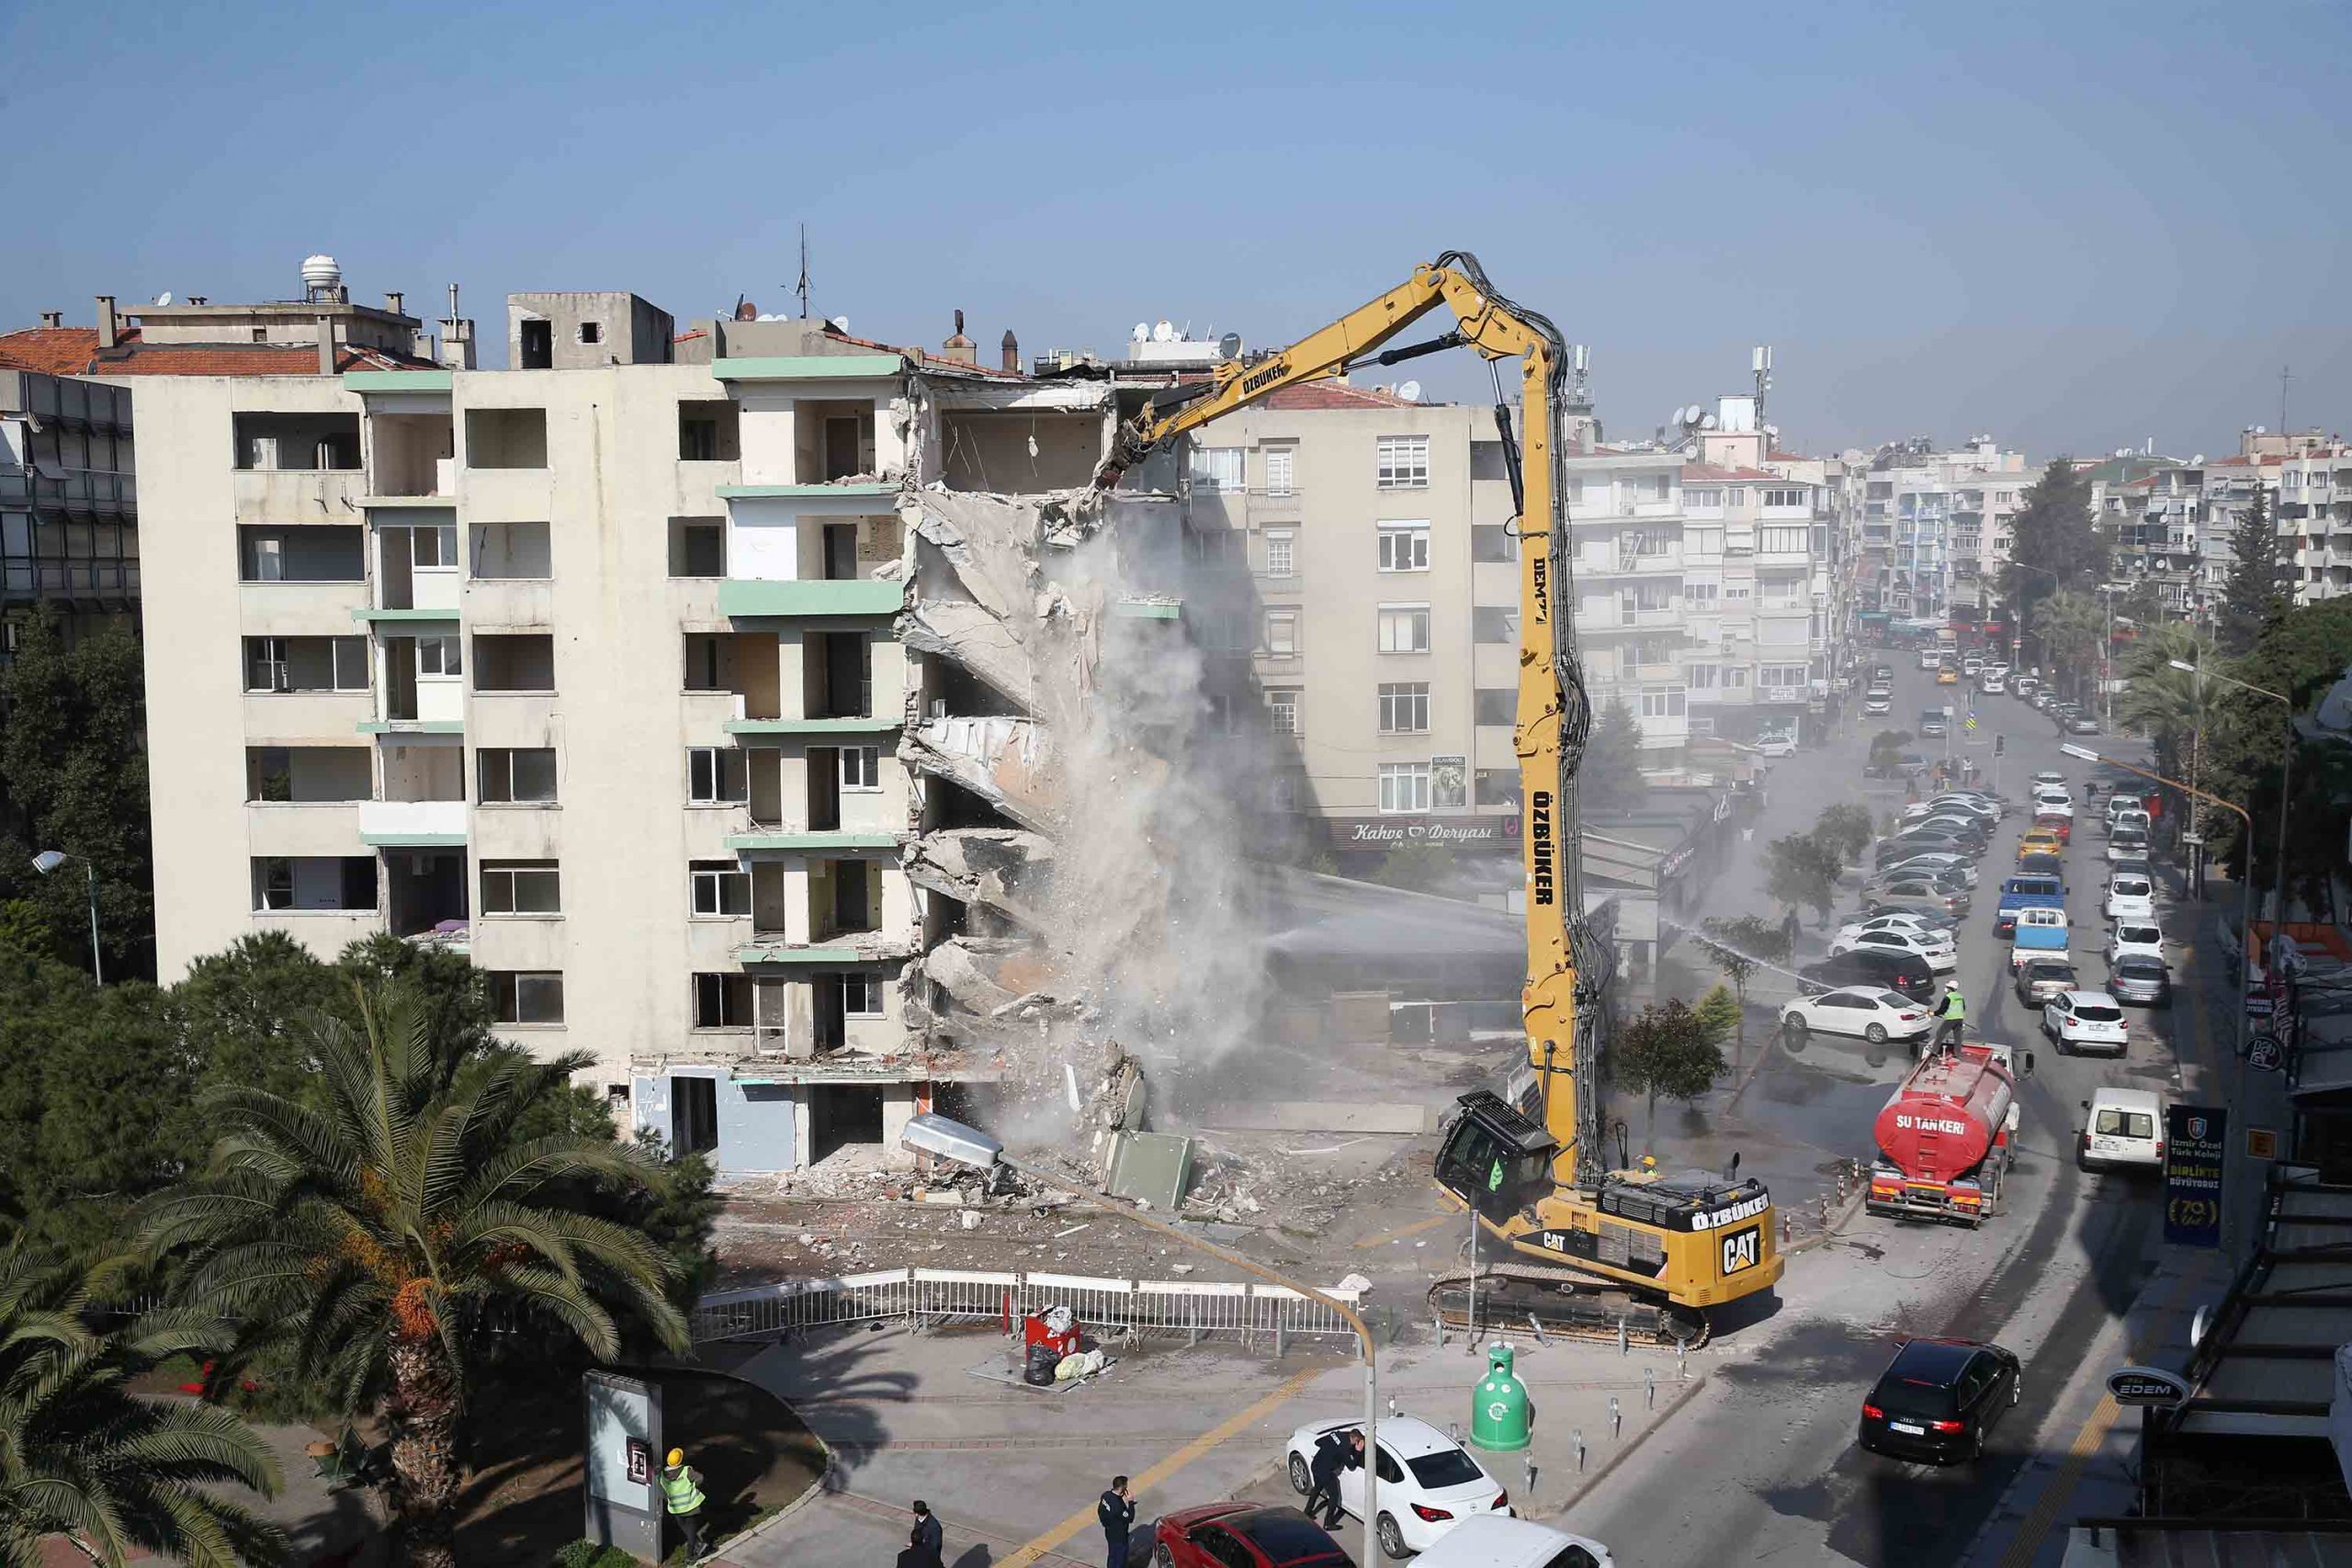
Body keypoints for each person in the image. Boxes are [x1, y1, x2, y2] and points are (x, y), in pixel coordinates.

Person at [659, 1448, 707, 1562]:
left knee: (685, 1529)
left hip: (675, 1509)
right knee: (691, 1532)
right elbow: (700, 1478)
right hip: (690, 1507)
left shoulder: (662, 1476)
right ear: (680, 1461)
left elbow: (663, 1492)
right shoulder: (686, 1471)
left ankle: (697, 1543)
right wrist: (693, 1486)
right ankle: (690, 1555)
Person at [1306, 1428, 1352, 1530]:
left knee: (1317, 1488)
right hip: (1325, 1471)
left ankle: (1307, 1511)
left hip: (1316, 1464)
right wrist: (1357, 1451)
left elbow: (1319, 1442)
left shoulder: (1334, 1434)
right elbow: (1351, 1466)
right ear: (1355, 1440)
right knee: (1334, 1496)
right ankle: (1328, 1523)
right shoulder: (1344, 1448)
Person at [1098, 1475, 1136, 1568]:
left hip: (1109, 1532)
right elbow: (1130, 1518)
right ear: (1122, 1488)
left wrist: (1105, 1524)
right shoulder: (1118, 1507)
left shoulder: (1106, 1495)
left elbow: (1100, 1511)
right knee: (1120, 1559)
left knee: (1112, 1556)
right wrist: (1130, 1502)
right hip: (1119, 1536)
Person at [910, 1500, 944, 1568]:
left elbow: (934, 1547)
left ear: (917, 1514)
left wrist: (917, 1547)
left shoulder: (934, 1527)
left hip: (930, 1561)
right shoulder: (919, 1520)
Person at [1933, 982, 1965, 1051]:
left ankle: (1934, 1051)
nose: (1946, 989)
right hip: (1960, 1019)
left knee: (1940, 1033)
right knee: (1958, 1037)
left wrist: (1933, 1013)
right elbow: (1963, 1008)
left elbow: (1942, 1010)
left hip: (1950, 1019)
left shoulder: (1948, 997)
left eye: (1947, 987)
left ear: (1950, 988)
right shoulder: (1960, 996)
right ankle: (1958, 1053)